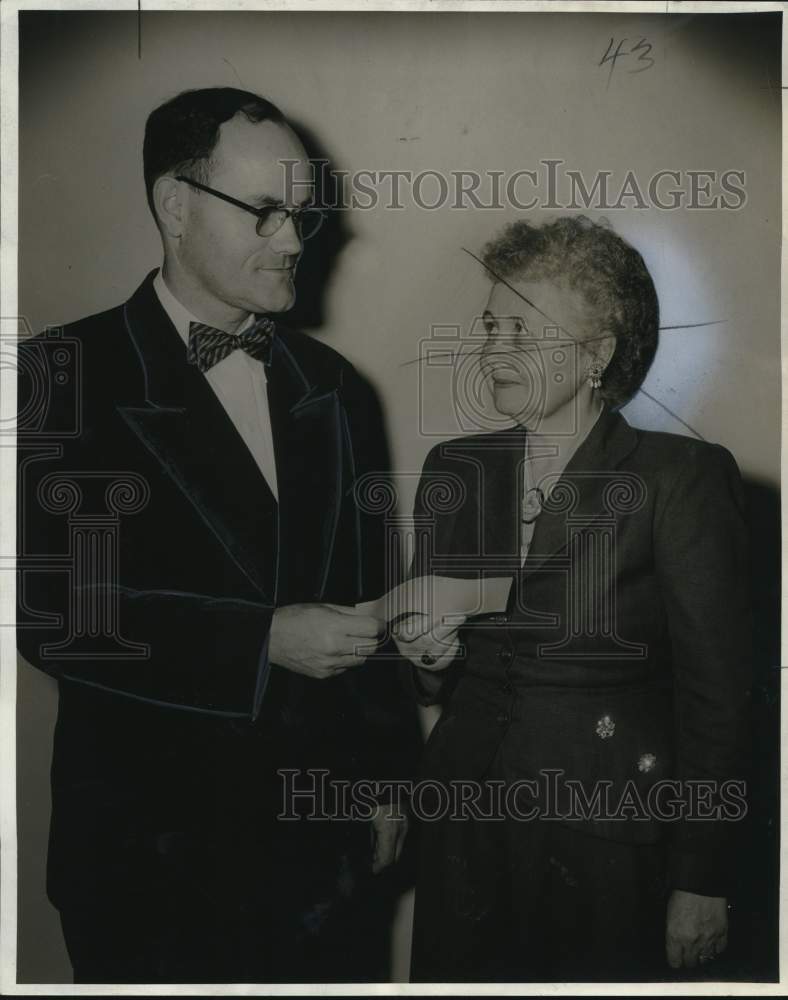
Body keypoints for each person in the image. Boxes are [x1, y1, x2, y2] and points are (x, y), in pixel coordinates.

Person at [16, 87, 419, 984]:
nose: (294, 241)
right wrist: (262, 639)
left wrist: (389, 776)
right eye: (267, 211)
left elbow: (370, 591)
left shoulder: (335, 384)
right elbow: (52, 611)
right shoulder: (60, 372)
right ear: (175, 206)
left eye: (302, 214)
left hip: (320, 857)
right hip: (145, 864)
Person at [395, 216, 752, 982]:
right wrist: (425, 655)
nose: (495, 349)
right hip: (463, 823)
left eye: (523, 330)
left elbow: (720, 697)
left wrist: (703, 877)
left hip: (609, 839)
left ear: (597, 353)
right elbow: (433, 683)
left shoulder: (679, 477)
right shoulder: (454, 469)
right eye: (491, 326)